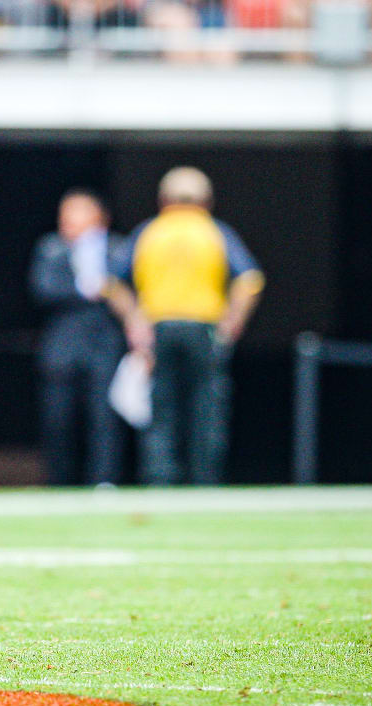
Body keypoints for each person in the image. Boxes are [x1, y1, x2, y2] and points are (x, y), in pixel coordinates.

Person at [113, 166, 263, 486]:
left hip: (160, 327)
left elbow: (113, 282)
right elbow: (250, 280)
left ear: (163, 200)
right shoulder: (215, 232)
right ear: (207, 200)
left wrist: (133, 319)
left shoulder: (149, 232)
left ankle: (160, 478)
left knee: (161, 406)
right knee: (207, 407)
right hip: (203, 328)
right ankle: (204, 479)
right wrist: (232, 322)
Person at [29, 189, 131, 486]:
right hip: (62, 347)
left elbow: (130, 290)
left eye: (76, 211)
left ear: (99, 216)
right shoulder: (51, 248)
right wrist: (89, 290)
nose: (67, 219)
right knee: (58, 419)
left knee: (105, 417)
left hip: (105, 344)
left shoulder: (118, 248)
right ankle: (60, 482)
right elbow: (43, 288)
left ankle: (104, 481)